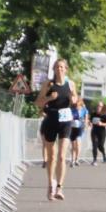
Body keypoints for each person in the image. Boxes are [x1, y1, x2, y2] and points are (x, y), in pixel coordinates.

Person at [34, 59, 78, 201]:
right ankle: (50, 185)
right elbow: (38, 102)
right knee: (52, 156)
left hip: (65, 120)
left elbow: (76, 101)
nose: (59, 69)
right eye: (57, 67)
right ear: (54, 69)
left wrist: (73, 97)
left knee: (62, 156)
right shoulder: (49, 84)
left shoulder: (70, 84)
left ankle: (60, 187)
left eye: (62, 67)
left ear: (66, 69)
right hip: (51, 119)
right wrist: (48, 98)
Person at [69, 96, 88, 167]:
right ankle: (72, 160)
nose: (76, 103)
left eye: (78, 101)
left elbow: (86, 119)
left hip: (80, 127)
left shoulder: (84, 109)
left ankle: (77, 158)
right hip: (73, 127)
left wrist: (85, 123)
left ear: (80, 102)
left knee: (78, 143)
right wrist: (71, 120)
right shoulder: (72, 109)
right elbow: (69, 117)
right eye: (76, 101)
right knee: (73, 145)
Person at [89, 101, 106, 165]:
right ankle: (94, 160)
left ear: (102, 107)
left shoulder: (104, 115)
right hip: (94, 131)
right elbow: (90, 120)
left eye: (100, 106)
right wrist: (90, 123)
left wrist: (102, 124)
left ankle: (104, 155)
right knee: (94, 145)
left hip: (102, 131)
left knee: (100, 145)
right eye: (98, 106)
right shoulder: (93, 114)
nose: (98, 107)